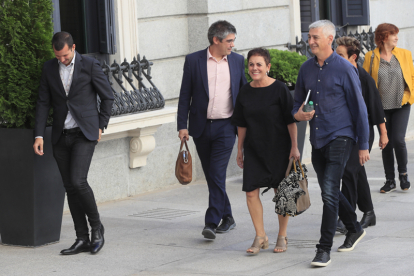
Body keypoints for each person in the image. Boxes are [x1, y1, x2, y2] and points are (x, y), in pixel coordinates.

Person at [292, 20, 369, 267]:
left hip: (342, 135)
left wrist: (364, 144)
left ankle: (323, 249)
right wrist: (299, 115)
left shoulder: (346, 69)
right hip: (318, 138)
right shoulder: (305, 69)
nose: (310, 41)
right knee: (330, 191)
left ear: (329, 39)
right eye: (309, 37)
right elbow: (296, 104)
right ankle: (354, 228)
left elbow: (360, 109)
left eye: (315, 37)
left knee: (328, 193)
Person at [33, 32, 114, 255]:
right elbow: (43, 102)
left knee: (78, 182)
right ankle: (81, 238)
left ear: (74, 48)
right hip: (61, 135)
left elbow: (107, 96)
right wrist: (39, 135)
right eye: (58, 56)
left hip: (84, 133)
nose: (62, 60)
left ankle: (97, 228)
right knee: (69, 186)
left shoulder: (89, 64)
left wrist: (101, 125)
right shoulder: (49, 68)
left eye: (65, 56)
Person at [177, 20, 247, 239]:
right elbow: (184, 95)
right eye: (229, 41)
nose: (232, 45)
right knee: (211, 176)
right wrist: (182, 125)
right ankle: (228, 217)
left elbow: (244, 94)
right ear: (216, 40)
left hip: (226, 127)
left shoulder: (237, 61)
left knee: (216, 173)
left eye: (233, 41)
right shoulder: (193, 60)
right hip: (200, 127)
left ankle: (211, 221)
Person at [231, 48, 300, 254]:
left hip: (280, 148)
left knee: (282, 192)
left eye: (259, 64)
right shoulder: (245, 91)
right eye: (251, 64)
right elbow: (241, 123)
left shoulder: (279, 89)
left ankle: (282, 235)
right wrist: (240, 149)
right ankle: (260, 236)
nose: (254, 68)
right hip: (254, 148)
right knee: (251, 191)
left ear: (268, 67)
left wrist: (295, 147)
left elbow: (291, 121)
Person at [335, 37, 389, 233]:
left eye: (340, 55)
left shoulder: (364, 78)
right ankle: (369, 212)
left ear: (353, 58)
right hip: (343, 133)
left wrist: (383, 134)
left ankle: (345, 217)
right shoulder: (338, 75)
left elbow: (376, 109)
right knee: (357, 171)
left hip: (361, 134)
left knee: (349, 171)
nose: (335, 57)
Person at [363, 23, 414, 193]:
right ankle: (389, 180)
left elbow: (412, 76)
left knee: (398, 139)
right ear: (384, 37)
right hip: (381, 108)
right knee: (386, 142)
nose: (396, 38)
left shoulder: (405, 54)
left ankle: (403, 175)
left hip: (401, 104)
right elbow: (365, 83)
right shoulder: (370, 57)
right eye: (393, 35)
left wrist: (410, 96)